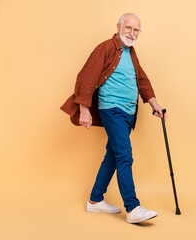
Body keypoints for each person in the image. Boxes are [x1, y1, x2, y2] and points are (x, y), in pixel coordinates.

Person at [60, 13, 165, 224]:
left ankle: (95, 200)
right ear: (118, 26)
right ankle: (133, 207)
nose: (131, 33)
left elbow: (142, 80)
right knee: (125, 155)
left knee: (113, 156)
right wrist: (84, 109)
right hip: (112, 109)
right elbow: (86, 77)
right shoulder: (105, 48)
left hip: (128, 113)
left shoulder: (131, 53)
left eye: (136, 30)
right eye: (128, 28)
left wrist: (155, 105)